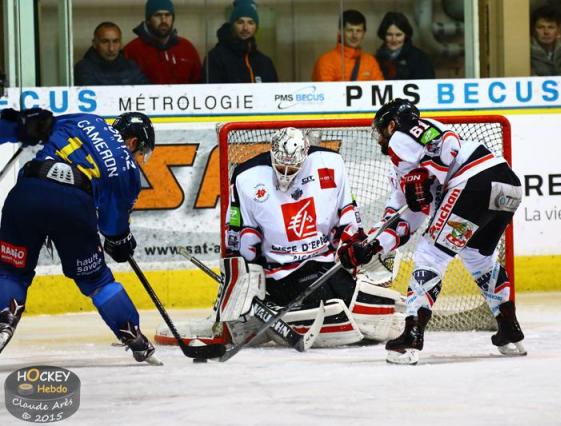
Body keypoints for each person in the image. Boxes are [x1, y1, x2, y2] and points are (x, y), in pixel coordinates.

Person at [156, 128, 404, 348]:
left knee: (375, 309)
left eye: (292, 167)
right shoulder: (246, 178)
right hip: (282, 276)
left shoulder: (330, 163)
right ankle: (263, 312)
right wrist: (246, 284)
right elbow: (241, 240)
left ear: (304, 157)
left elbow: (348, 217)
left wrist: (353, 249)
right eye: (281, 167)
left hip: (325, 266)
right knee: (334, 309)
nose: (286, 173)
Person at [337, 99, 526, 365]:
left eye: (381, 129)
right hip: (506, 187)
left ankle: (411, 339)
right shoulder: (403, 166)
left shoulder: (403, 134)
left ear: (391, 124)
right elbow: (405, 220)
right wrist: (371, 246)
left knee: (429, 256)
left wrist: (425, 174)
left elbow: (446, 141)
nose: (380, 137)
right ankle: (509, 329)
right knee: (478, 258)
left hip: (473, 181)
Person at [0, 107, 161, 365]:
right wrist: (121, 242)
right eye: (140, 151)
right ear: (133, 142)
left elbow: (32, 127)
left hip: (27, 192)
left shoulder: (87, 119)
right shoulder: (128, 171)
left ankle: (4, 321)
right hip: (72, 206)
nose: (138, 157)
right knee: (97, 281)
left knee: (10, 271)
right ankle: (136, 340)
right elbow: (112, 227)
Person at [124, 0, 201, 84]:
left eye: (167, 15)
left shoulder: (187, 49)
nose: (163, 20)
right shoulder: (132, 50)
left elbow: (200, 85)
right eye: (158, 15)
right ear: (148, 20)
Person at [202, 0, 278, 83]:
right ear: (232, 25)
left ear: (256, 27)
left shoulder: (265, 63)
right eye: (240, 22)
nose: (245, 28)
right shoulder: (215, 58)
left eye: (251, 23)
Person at [312, 9, 383, 82]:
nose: (354, 35)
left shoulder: (370, 61)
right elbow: (326, 92)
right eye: (350, 30)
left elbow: (381, 90)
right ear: (340, 32)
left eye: (358, 31)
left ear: (364, 33)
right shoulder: (326, 62)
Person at [74, 22, 149, 86]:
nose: (111, 48)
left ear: (121, 43)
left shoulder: (131, 66)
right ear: (94, 44)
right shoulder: (84, 68)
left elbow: (147, 93)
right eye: (105, 42)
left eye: (115, 41)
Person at [375, 12, 435, 80]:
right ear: (383, 35)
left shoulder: (421, 59)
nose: (394, 39)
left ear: (406, 35)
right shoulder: (376, 60)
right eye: (389, 34)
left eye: (398, 35)